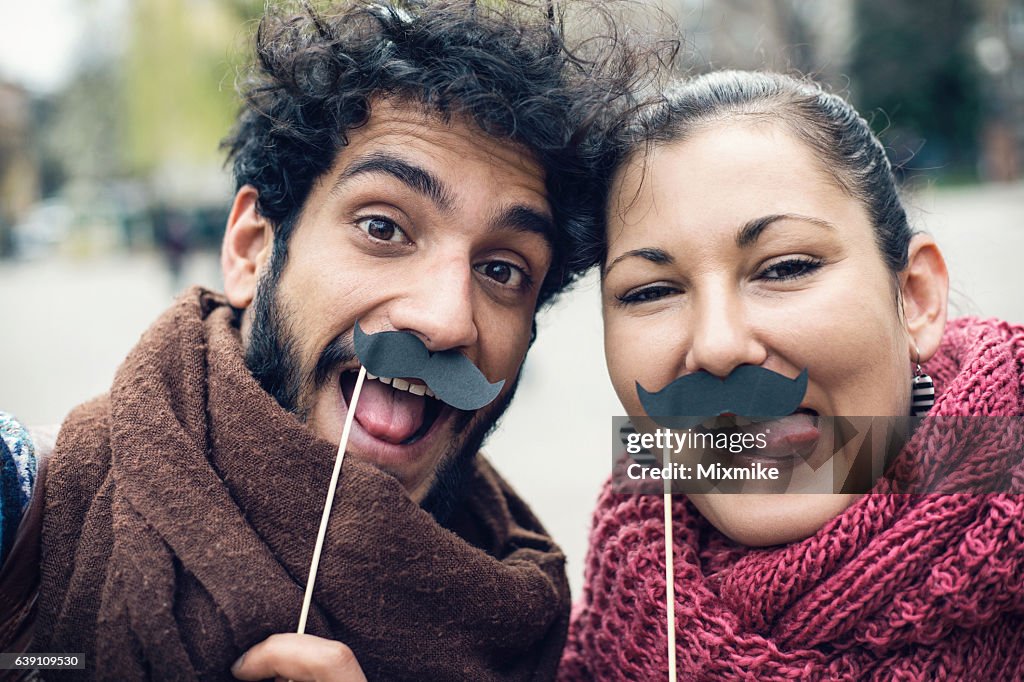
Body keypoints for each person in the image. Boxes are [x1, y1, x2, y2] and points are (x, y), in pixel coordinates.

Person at [0, 1, 641, 679]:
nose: (448, 320)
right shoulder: (20, 506)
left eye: (502, 270)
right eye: (384, 228)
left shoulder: (549, 631)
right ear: (250, 250)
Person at [560, 71, 1024, 679]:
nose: (719, 347)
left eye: (784, 268)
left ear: (915, 298)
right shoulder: (598, 639)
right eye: (650, 291)